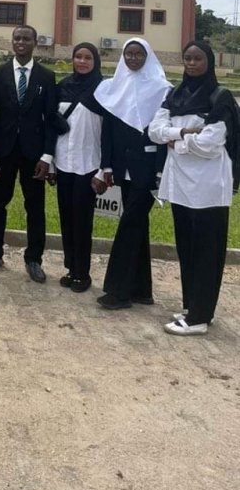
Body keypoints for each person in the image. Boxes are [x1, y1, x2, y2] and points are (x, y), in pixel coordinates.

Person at [149, 41, 237, 335]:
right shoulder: (174, 93)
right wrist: (184, 133)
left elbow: (211, 144)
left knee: (207, 251)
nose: (191, 63)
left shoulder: (220, 97)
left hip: (209, 187)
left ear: (209, 62)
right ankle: (194, 307)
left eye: (197, 58)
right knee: (187, 248)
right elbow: (154, 130)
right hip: (182, 186)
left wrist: (174, 141)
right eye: (187, 58)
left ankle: (199, 318)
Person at [92, 38, 171, 310]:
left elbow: (162, 134)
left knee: (129, 225)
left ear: (148, 56)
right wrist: (108, 166)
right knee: (137, 226)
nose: (133, 59)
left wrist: (161, 171)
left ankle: (118, 292)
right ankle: (141, 290)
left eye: (138, 54)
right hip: (122, 169)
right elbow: (108, 131)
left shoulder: (162, 89)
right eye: (129, 54)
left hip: (147, 170)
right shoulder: (115, 87)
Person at [0, 25, 58, 282]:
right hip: (2, 152)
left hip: (34, 155)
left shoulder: (47, 77)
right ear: (12, 42)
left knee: (35, 207)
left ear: (35, 42)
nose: (21, 42)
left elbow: (50, 120)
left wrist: (47, 157)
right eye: (17, 38)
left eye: (26, 38)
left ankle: (34, 259)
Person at [52, 43, 105, 293]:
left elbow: (109, 132)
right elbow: (51, 123)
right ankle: (70, 267)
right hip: (63, 163)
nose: (82, 61)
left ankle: (83, 273)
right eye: (78, 57)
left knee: (83, 220)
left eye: (87, 57)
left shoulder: (104, 90)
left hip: (89, 165)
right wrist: (50, 162)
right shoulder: (62, 87)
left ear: (95, 61)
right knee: (66, 217)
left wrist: (104, 169)